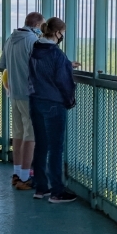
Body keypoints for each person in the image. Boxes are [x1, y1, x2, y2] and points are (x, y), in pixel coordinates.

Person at [28, 17, 78, 204]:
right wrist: (70, 101)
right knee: (56, 148)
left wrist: (66, 64)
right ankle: (57, 191)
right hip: (53, 103)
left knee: (41, 145)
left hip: (35, 100)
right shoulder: (57, 54)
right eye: (62, 33)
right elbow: (63, 82)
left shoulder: (35, 50)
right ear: (57, 33)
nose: (62, 36)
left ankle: (41, 187)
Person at [0, 12, 44, 191]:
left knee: (18, 134)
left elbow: (3, 64)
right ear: (38, 25)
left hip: (14, 93)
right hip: (29, 94)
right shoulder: (33, 41)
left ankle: (17, 173)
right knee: (30, 136)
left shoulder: (11, 39)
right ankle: (26, 177)